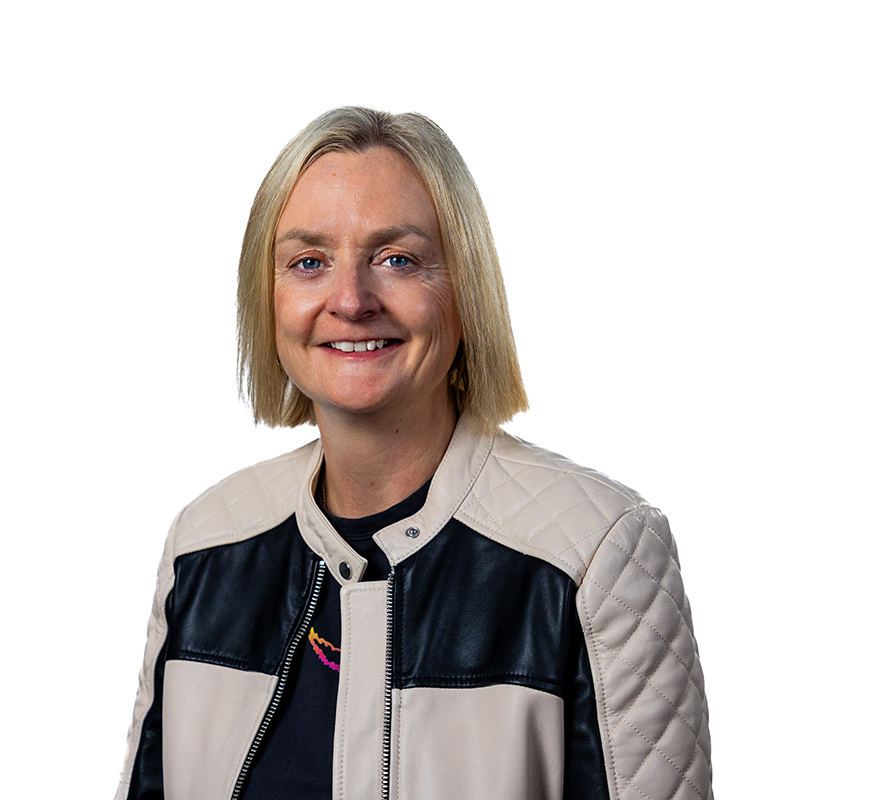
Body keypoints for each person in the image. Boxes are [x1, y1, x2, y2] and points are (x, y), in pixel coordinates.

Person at [116, 106, 712, 800]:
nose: (350, 300)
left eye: (396, 259)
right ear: (266, 297)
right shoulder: (203, 547)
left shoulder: (595, 553)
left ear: (465, 290)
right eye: (309, 262)